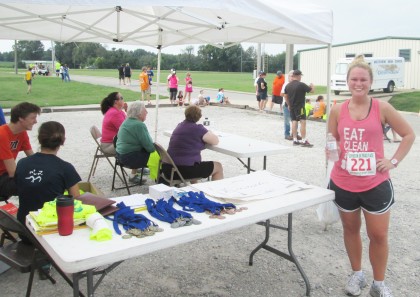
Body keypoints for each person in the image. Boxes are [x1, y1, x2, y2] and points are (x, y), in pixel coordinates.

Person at [327, 55, 415, 297]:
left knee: (378, 234)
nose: (358, 83)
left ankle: (379, 283)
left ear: (370, 82)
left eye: (363, 79)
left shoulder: (382, 108)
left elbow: (408, 134)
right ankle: (357, 274)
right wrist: (332, 152)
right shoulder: (337, 109)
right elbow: (331, 138)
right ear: (347, 81)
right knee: (350, 229)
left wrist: (392, 161)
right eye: (354, 79)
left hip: (375, 184)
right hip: (344, 183)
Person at [15, 121, 81, 226]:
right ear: (62, 140)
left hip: (23, 227)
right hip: (49, 227)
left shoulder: (22, 163)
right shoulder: (65, 168)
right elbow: (77, 201)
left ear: (39, 139)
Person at [165, 105, 223, 183]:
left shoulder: (179, 126)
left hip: (170, 169)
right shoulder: (198, 128)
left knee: (192, 162)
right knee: (218, 167)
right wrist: (209, 132)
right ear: (199, 117)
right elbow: (215, 141)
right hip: (184, 170)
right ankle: (216, 193)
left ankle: (195, 188)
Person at [0, 102, 41, 198]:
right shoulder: (2, 134)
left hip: (5, 174)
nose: (35, 121)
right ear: (21, 118)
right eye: (33, 117)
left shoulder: (22, 133)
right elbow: (12, 172)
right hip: (3, 175)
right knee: (31, 185)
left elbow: (33, 159)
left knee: (41, 179)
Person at [116, 102, 155, 184]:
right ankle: (162, 179)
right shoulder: (139, 125)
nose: (147, 112)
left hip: (119, 157)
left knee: (138, 147)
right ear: (139, 113)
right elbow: (150, 147)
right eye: (145, 110)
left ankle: (134, 174)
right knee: (158, 155)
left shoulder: (126, 122)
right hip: (130, 159)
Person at [284, 69, 314, 147]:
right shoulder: (301, 85)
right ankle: (304, 140)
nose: (301, 77)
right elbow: (312, 91)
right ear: (298, 76)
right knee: (303, 122)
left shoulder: (288, 85)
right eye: (300, 76)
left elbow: (285, 96)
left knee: (294, 122)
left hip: (292, 107)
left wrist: (289, 105)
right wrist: (312, 86)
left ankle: (295, 139)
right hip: (300, 107)